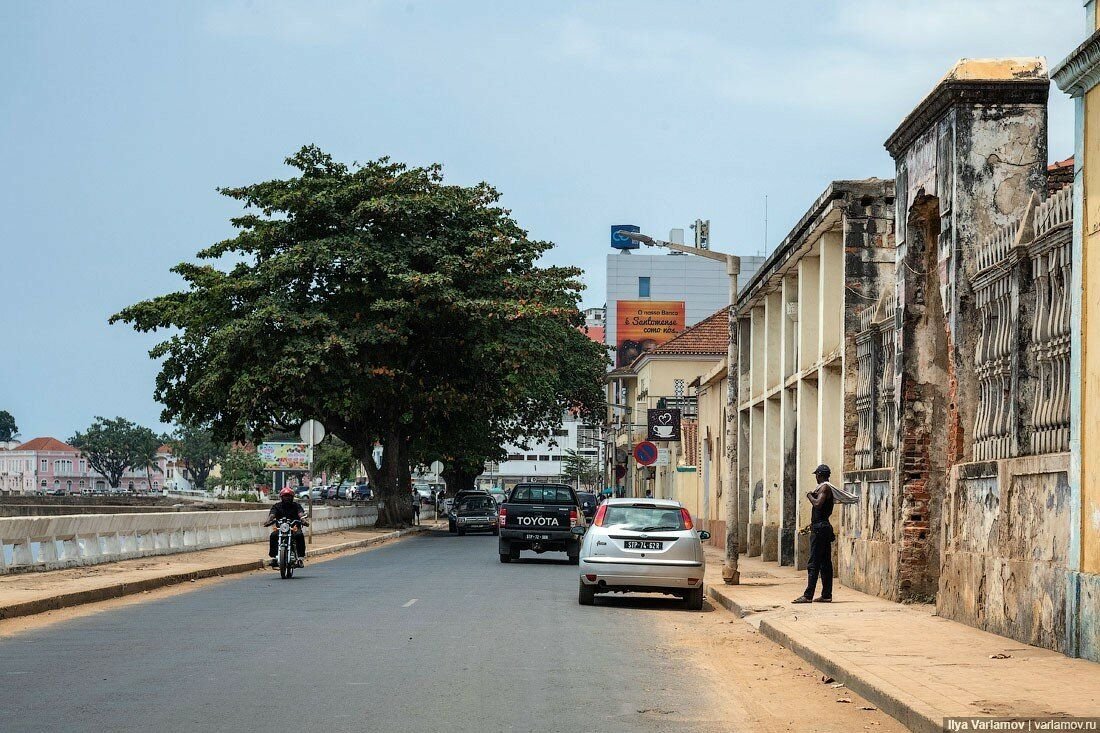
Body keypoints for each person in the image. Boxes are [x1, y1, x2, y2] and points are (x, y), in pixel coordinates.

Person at [793, 464, 835, 603]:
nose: (816, 478)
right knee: (824, 563)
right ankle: (826, 595)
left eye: (816, 475)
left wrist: (810, 496)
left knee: (814, 563)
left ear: (819, 475)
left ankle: (808, 595)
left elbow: (817, 504)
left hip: (820, 529)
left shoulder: (824, 488)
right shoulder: (825, 488)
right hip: (821, 527)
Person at [265, 487, 309, 567]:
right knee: (273, 535)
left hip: (294, 528)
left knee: (299, 535)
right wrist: (268, 521)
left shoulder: (297, 506)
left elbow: (301, 514)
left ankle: (300, 557)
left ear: (292, 497)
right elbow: (272, 515)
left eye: (289, 496)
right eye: (285, 496)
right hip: (281, 528)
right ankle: (274, 557)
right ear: (281, 497)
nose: (287, 498)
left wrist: (303, 520)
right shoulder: (277, 506)